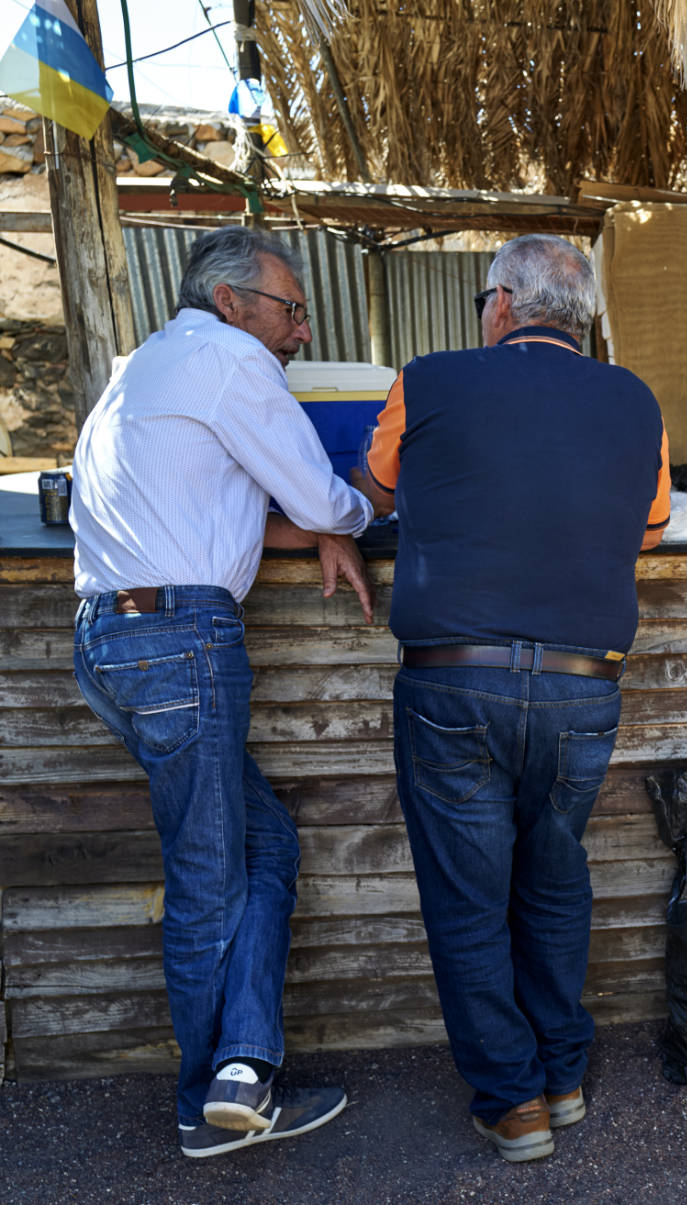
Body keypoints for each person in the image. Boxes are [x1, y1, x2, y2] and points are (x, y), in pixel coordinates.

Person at [353, 234, 670, 1163]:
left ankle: (513, 1101)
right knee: (554, 876)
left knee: (468, 897)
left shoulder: (429, 378)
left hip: (455, 679)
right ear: (585, 320)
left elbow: (372, 494)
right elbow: (647, 528)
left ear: (500, 306)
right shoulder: (635, 398)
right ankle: (563, 1076)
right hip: (583, 688)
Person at [70, 226, 376, 1158]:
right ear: (234, 302)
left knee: (263, 843)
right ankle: (208, 1102)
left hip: (114, 641)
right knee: (208, 878)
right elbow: (324, 500)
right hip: (180, 642)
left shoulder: (148, 366)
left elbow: (215, 507)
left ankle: (241, 1068)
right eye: (290, 307)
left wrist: (305, 529)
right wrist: (356, 516)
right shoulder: (234, 359)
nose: (300, 327)